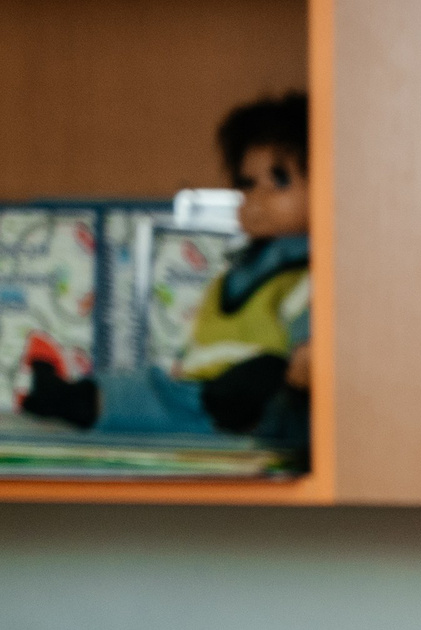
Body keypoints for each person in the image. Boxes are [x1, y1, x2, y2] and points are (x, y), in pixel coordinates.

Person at [19, 93, 313, 447]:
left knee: (263, 378)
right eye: (246, 185)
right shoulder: (236, 271)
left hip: (256, 402)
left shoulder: (308, 273)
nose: (258, 200)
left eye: (280, 182)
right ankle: (70, 398)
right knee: (146, 387)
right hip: (200, 393)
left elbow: (308, 345)